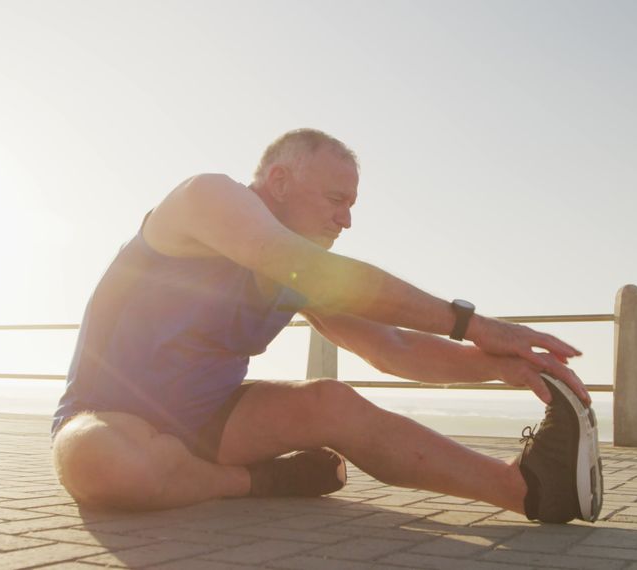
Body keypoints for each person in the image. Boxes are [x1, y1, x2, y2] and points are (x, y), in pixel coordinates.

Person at [51, 128, 599, 524]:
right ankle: (262, 482)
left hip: (209, 423)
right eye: (337, 200)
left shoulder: (301, 272)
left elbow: (395, 349)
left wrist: (507, 366)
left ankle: (530, 489)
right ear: (280, 180)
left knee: (332, 401)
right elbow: (283, 255)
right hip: (105, 419)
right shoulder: (206, 197)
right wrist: (471, 322)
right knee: (104, 465)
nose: (347, 219)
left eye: (352, 205)